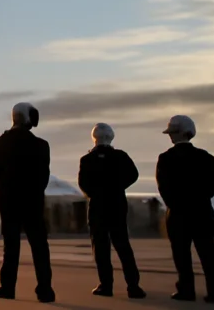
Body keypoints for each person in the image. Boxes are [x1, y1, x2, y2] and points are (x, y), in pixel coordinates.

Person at [156, 115, 214, 304]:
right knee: (208, 254)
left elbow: (163, 187)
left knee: (181, 255)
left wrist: (174, 203)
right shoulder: (203, 156)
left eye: (172, 133)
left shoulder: (166, 158)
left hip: (178, 214)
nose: (170, 136)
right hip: (201, 211)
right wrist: (205, 190)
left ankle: (186, 290)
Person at [0, 102, 55, 303]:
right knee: (40, 247)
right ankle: (45, 290)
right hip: (33, 202)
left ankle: (8, 287)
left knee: (11, 247)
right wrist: (35, 191)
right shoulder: (41, 145)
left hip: (8, 202)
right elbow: (44, 175)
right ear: (26, 117)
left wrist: (4, 188)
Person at [77, 123, 147, 299]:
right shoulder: (120, 157)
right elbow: (133, 175)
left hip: (97, 207)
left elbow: (83, 184)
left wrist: (95, 193)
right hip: (117, 205)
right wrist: (117, 187)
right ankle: (133, 285)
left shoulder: (87, 160)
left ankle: (106, 285)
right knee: (123, 246)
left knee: (101, 248)